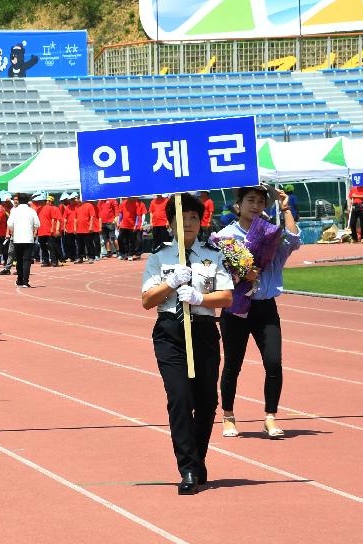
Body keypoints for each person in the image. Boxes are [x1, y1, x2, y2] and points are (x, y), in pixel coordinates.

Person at [142, 193, 234, 495]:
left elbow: (226, 296)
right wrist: (169, 284)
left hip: (204, 329)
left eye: (195, 218)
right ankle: (188, 468)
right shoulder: (159, 257)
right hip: (170, 332)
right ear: (171, 224)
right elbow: (146, 300)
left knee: (207, 401)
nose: (190, 223)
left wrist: (199, 298)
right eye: (183, 218)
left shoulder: (213, 255)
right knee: (180, 398)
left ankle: (198, 456)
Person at [218, 185, 301, 439]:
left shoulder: (270, 233)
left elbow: (294, 240)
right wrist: (244, 273)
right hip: (236, 309)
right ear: (238, 205)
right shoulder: (225, 236)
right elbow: (220, 274)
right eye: (250, 200)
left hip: (265, 307)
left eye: (261, 201)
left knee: (274, 362)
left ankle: (270, 417)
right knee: (233, 364)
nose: (255, 206)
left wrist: (285, 208)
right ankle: (228, 416)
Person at [7, 193, 40, 288]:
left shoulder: (14, 211)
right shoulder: (31, 211)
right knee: (27, 260)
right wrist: (31, 228)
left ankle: (20, 279)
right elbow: (37, 224)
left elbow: (9, 223)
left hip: (17, 238)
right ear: (27, 200)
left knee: (19, 260)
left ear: (19, 200)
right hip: (28, 238)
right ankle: (25, 281)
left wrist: (14, 230)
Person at [34, 193, 59, 267]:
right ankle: (46, 261)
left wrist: (53, 229)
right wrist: (36, 231)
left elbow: (53, 219)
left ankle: (54, 261)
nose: (38, 202)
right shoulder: (38, 209)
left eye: (39, 200)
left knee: (51, 247)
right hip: (41, 231)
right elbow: (37, 221)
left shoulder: (50, 208)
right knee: (43, 247)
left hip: (48, 231)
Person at [118, 196, 144, 260]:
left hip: (132, 225)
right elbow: (121, 213)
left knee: (131, 241)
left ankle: (130, 254)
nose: (133, 198)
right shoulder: (123, 203)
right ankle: (123, 253)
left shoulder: (136, 204)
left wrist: (136, 224)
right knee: (120, 238)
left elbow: (137, 215)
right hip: (123, 225)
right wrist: (119, 222)